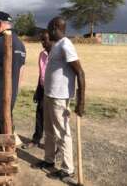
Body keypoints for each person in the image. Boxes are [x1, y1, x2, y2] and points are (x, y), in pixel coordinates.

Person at [38, 17, 85, 183]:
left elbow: (80, 72)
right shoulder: (56, 45)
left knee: (62, 133)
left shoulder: (66, 44)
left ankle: (67, 169)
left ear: (56, 27)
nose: (48, 30)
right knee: (49, 130)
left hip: (60, 96)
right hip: (50, 94)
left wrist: (81, 102)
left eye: (50, 27)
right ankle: (49, 159)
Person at [22, 29, 52, 149]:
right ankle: (36, 140)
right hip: (43, 89)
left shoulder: (57, 54)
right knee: (39, 114)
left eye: (45, 40)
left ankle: (53, 145)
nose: (43, 43)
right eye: (41, 40)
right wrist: (38, 90)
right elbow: (42, 74)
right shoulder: (42, 55)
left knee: (52, 118)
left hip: (54, 91)